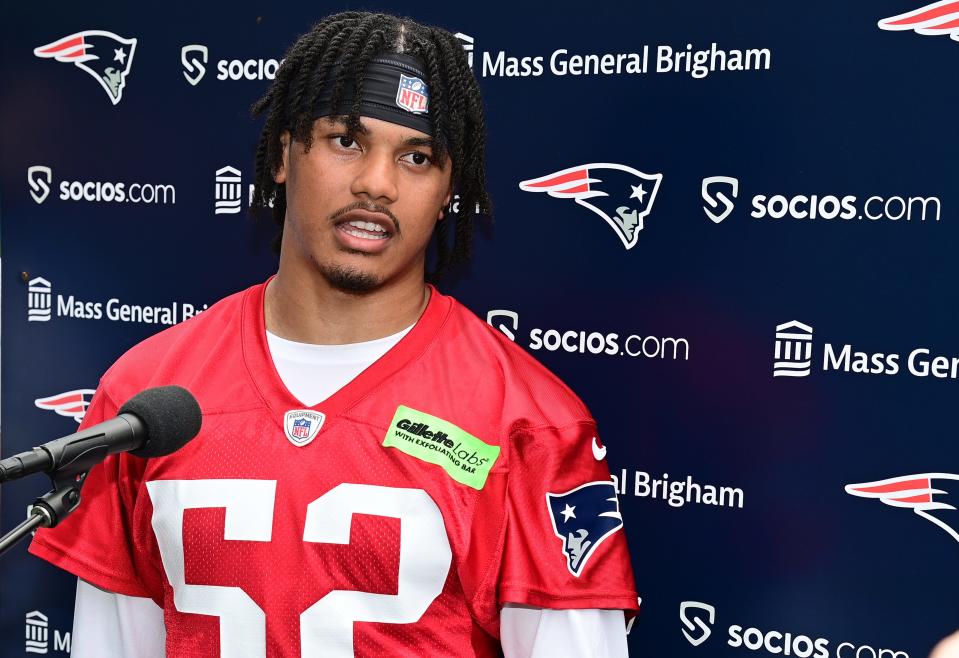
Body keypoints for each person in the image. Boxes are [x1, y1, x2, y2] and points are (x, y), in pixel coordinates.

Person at [29, 11, 639, 657]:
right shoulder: (147, 393)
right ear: (284, 152)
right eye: (347, 141)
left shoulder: (529, 425)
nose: (376, 184)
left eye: (417, 156)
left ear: (446, 190)